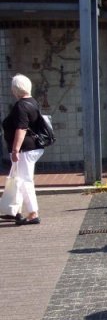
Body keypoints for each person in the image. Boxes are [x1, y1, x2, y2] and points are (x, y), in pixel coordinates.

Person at [0, 74, 45, 225]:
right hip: (31, 147)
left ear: (15, 89)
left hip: (25, 149)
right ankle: (14, 211)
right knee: (18, 179)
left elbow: (21, 128)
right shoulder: (32, 102)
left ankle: (33, 213)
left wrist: (15, 150)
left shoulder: (21, 106)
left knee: (25, 181)